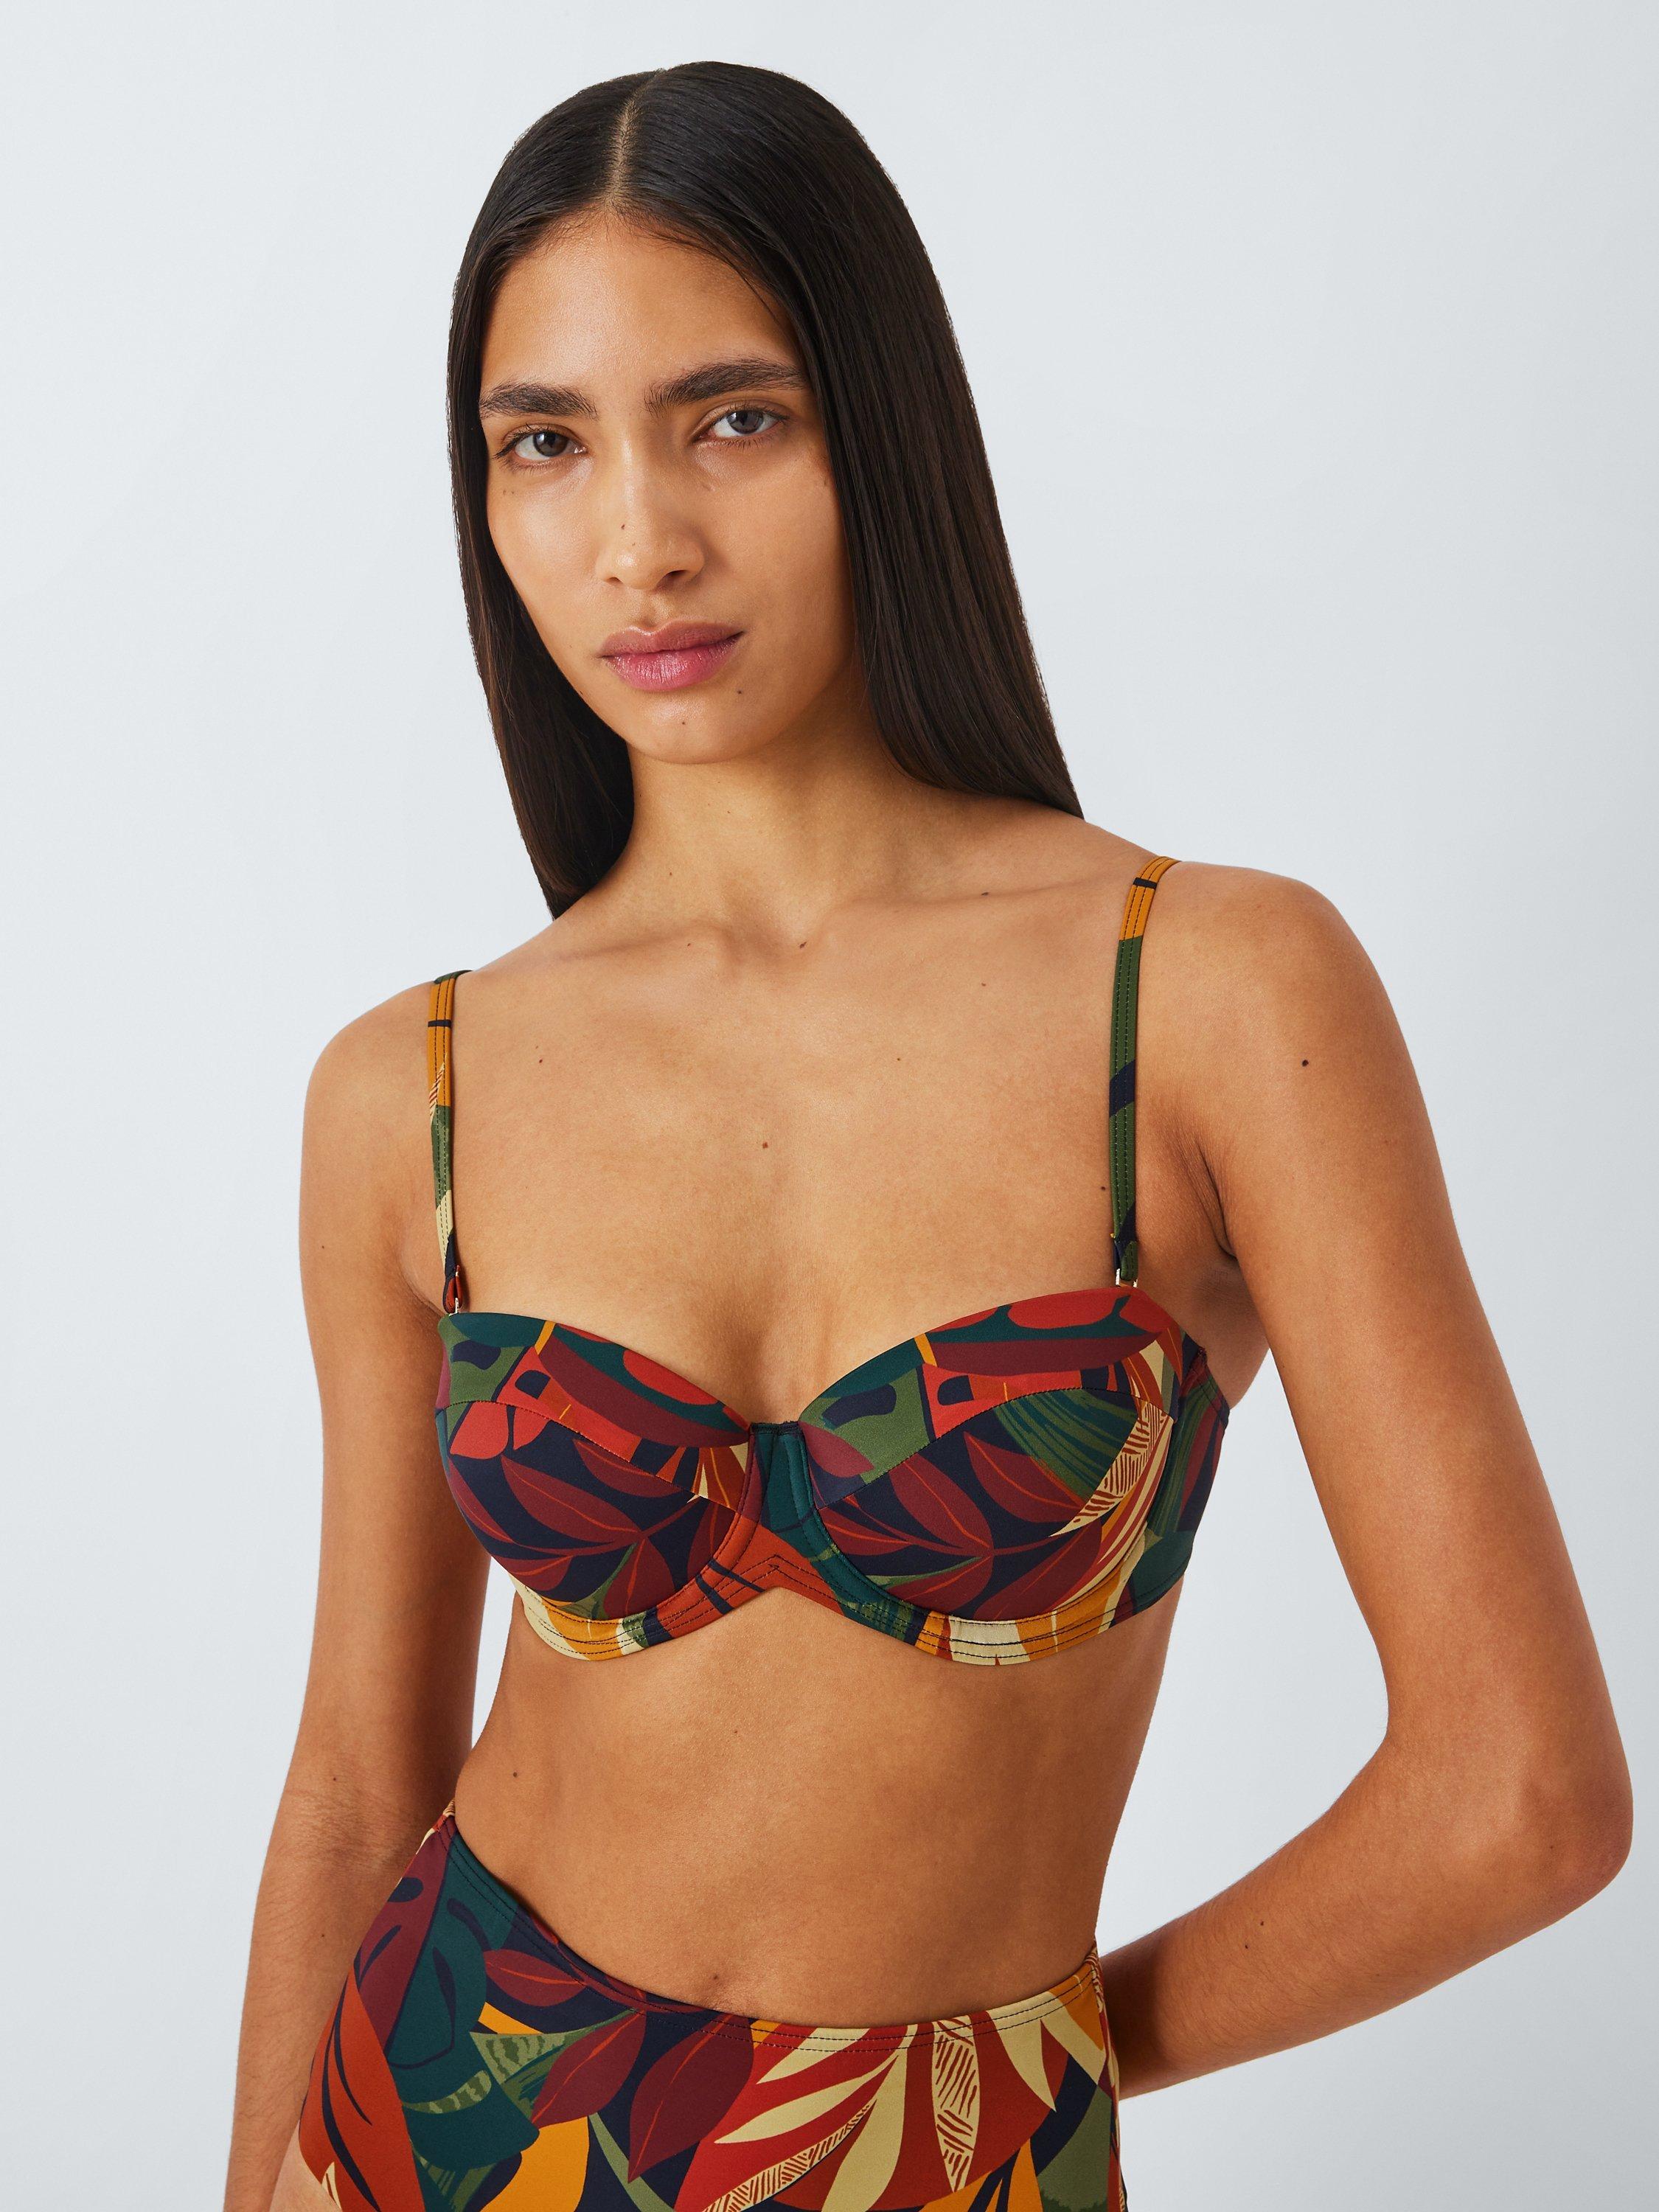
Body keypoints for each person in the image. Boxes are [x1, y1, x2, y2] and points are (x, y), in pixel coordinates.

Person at [224, 60, 1632, 2212]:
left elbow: (1520, 1794)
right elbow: (354, 1786)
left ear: (878, 424)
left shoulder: (1213, 994)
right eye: (546, 443)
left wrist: (1004, 2081)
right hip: (434, 2122)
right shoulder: (409, 1090)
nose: (639, 542)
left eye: (731, 418)